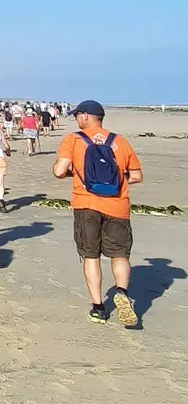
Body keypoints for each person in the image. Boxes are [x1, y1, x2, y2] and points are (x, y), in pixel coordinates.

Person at [52, 101, 143, 325]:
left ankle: (98, 308)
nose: (76, 119)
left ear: (85, 116)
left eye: (77, 115)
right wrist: (116, 180)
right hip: (118, 205)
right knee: (120, 254)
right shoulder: (120, 141)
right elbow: (137, 176)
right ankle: (121, 292)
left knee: (91, 256)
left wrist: (75, 174)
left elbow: (59, 171)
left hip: (87, 205)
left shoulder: (74, 140)